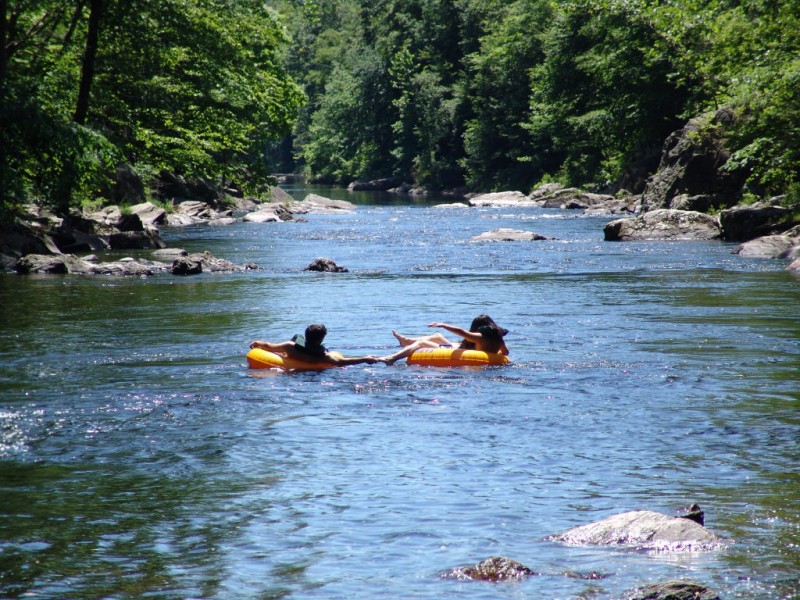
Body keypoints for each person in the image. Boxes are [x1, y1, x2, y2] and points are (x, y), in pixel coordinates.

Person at [379, 314, 509, 365]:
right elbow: (505, 353)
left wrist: (443, 325)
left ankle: (392, 358)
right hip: (471, 352)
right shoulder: (499, 339)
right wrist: (494, 354)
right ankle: (405, 341)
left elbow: (461, 331)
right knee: (437, 337)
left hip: (467, 355)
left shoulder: (479, 337)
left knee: (422, 343)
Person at [250, 323, 379, 366]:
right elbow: (343, 362)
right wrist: (365, 359)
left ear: (305, 335)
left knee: (296, 338)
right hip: (312, 372)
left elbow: (268, 345)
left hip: (291, 368)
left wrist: (258, 343)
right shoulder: (324, 356)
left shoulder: (289, 346)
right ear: (322, 339)